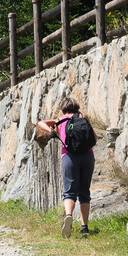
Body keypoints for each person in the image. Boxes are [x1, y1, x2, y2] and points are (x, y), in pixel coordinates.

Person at [36, 98, 96, 238]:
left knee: (69, 191)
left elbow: (40, 123)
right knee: (84, 192)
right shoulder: (83, 119)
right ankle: (84, 227)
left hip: (69, 157)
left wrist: (51, 130)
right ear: (76, 107)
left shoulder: (61, 121)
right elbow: (93, 138)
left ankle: (68, 215)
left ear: (63, 108)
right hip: (88, 157)